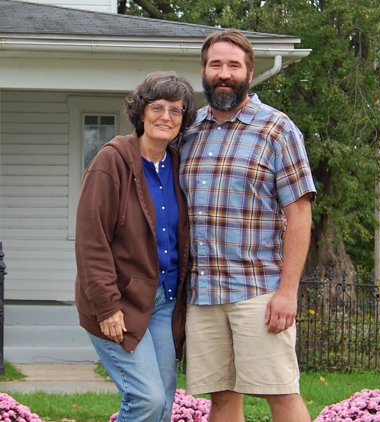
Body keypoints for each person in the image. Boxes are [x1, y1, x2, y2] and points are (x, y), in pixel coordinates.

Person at [179, 29, 317, 422]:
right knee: (221, 399)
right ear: (204, 71)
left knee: (281, 394)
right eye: (216, 65)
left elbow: (299, 214)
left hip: (258, 291)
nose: (224, 73)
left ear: (249, 72)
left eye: (233, 65)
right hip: (203, 293)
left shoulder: (277, 129)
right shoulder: (188, 131)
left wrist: (287, 292)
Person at [75, 71, 197, 422]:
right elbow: (91, 239)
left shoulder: (177, 165)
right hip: (119, 301)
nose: (166, 117)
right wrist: (106, 305)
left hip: (163, 302)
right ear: (141, 112)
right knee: (146, 398)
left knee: (164, 403)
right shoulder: (112, 160)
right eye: (157, 107)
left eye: (176, 111)